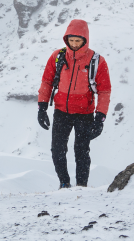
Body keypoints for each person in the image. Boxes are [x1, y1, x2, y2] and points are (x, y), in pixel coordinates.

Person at [36, 19, 111, 189]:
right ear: (66, 39)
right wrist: (42, 108)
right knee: (57, 150)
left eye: (78, 41)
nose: (75, 44)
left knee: (82, 152)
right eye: (71, 40)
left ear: (85, 40)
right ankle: (64, 183)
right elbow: (47, 82)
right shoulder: (58, 57)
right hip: (61, 111)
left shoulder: (97, 61)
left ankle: (81, 187)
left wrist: (100, 118)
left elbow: (104, 90)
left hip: (85, 114)